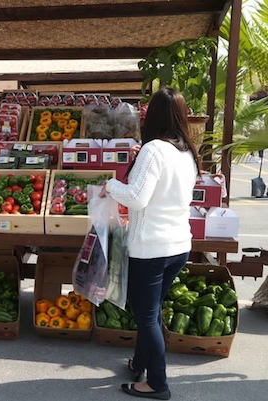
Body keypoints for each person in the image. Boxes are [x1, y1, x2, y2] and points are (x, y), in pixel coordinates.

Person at [100, 87, 201, 400]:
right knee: (152, 310)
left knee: (146, 316)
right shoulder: (186, 152)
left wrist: (111, 185)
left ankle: (157, 384)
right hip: (178, 245)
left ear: (152, 116)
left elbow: (137, 198)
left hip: (151, 248)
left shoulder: (154, 149)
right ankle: (139, 363)